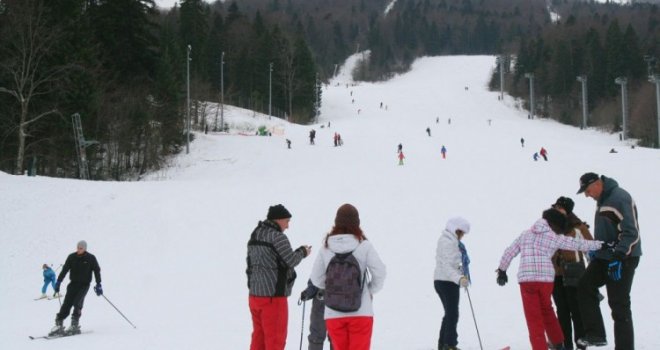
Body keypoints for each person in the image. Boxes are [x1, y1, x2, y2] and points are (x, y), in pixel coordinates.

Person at [496, 209, 603, 350]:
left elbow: (509, 251)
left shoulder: (525, 235)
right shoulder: (553, 237)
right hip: (546, 280)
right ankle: (559, 345)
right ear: (553, 225)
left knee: (534, 319)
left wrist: (502, 271)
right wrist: (601, 244)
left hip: (527, 281)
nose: (559, 231)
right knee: (547, 311)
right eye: (559, 228)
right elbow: (577, 244)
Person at [575, 173, 641, 349]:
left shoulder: (620, 198)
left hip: (624, 258)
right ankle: (596, 334)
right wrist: (597, 250)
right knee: (584, 285)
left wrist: (619, 256)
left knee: (619, 305)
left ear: (597, 184)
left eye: (587, 191)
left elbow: (631, 233)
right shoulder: (602, 199)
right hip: (605, 257)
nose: (587, 195)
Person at [309, 204, 386, 350]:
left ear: (336, 222)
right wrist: (369, 290)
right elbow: (380, 271)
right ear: (357, 223)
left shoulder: (326, 246)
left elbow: (316, 278)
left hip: (333, 314)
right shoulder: (364, 245)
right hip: (361, 312)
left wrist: (333, 289)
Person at [246, 204, 311, 350]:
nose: (287, 226)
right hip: (273, 297)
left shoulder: (256, 234)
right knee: (275, 340)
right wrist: (303, 252)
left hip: (254, 296)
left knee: (259, 338)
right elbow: (291, 260)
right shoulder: (277, 237)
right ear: (278, 220)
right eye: (287, 221)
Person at [550, 197, 594, 350]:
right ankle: (564, 345)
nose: (556, 210)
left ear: (567, 210)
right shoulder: (549, 226)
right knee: (561, 311)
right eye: (555, 207)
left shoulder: (578, 227)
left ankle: (581, 344)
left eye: (559, 208)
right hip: (556, 275)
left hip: (575, 273)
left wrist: (592, 274)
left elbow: (590, 249)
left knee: (577, 311)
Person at [434, 217, 471, 350]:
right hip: (446, 282)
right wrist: (459, 278)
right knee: (452, 313)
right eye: (461, 233)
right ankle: (449, 345)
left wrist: (460, 273)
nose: (461, 236)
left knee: (449, 313)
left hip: (445, 280)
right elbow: (446, 265)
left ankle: (443, 344)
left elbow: (452, 264)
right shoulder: (447, 242)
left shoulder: (450, 241)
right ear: (455, 229)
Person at [50, 240, 102, 336]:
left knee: (77, 302)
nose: (79, 250)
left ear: (85, 248)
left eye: (81, 248)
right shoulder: (71, 257)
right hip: (73, 284)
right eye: (78, 247)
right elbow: (64, 270)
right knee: (67, 303)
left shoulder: (91, 258)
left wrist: (99, 284)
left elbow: (97, 270)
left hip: (84, 285)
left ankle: (75, 324)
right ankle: (59, 324)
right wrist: (58, 282)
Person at [300, 280, 332, 350]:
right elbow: (314, 281)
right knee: (317, 336)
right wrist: (307, 293)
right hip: (323, 306)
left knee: (337, 337)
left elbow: (315, 279)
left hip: (330, 307)